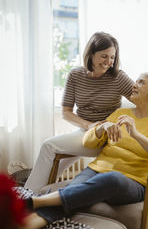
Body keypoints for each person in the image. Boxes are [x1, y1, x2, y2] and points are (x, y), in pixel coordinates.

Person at [18, 71, 148, 229]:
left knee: (111, 179)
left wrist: (136, 135)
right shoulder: (120, 114)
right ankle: (25, 227)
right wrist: (102, 128)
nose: (134, 84)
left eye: (141, 82)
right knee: (74, 192)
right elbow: (88, 142)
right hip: (97, 170)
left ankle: (35, 201)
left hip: (134, 181)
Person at [25, 32, 134, 190]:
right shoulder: (76, 75)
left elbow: (143, 101)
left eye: (112, 57)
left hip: (105, 136)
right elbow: (66, 112)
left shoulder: (118, 77)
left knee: (48, 146)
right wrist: (89, 125)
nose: (109, 62)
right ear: (91, 54)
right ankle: (39, 195)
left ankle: (27, 195)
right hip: (84, 131)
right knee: (53, 166)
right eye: (104, 56)